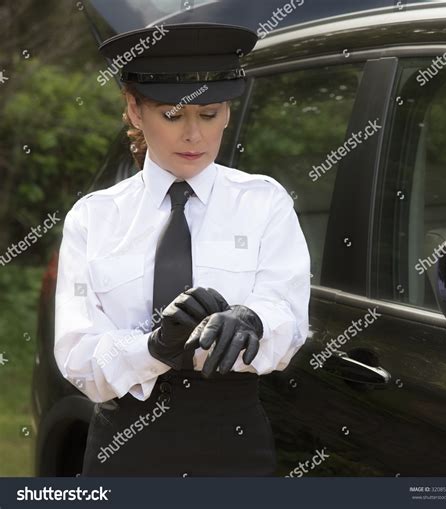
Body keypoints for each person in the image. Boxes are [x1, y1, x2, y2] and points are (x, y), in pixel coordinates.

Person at [54, 22, 311, 477]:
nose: (193, 135)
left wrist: (253, 319)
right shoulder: (94, 218)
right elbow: (79, 359)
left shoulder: (264, 202)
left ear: (228, 112)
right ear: (134, 109)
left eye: (209, 115)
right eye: (173, 115)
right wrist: (153, 347)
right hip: (125, 450)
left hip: (235, 446)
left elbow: (289, 324)